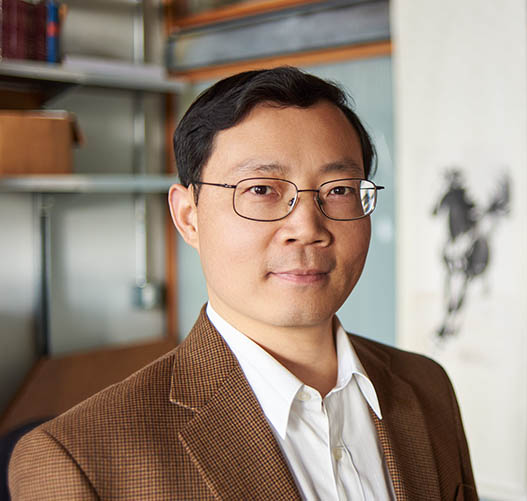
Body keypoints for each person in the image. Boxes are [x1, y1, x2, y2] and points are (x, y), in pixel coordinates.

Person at [9, 67, 477, 500]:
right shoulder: (80, 459)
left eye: (338, 190)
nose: (307, 227)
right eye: (260, 189)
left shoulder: (425, 385)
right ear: (188, 217)